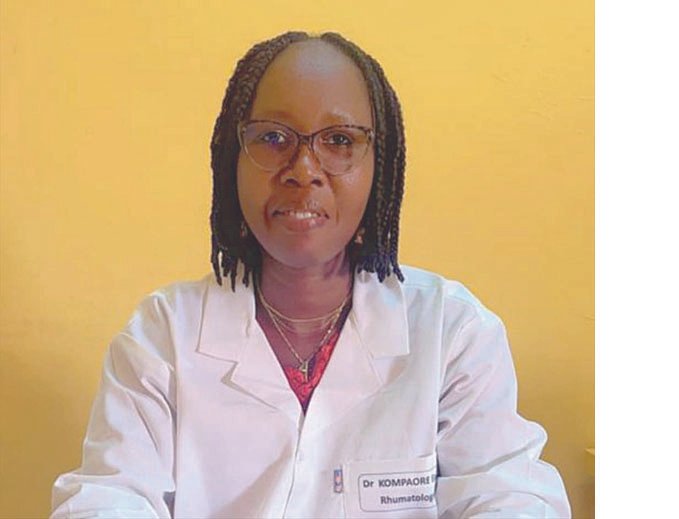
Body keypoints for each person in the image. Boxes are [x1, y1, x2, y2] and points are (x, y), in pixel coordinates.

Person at [50, 31, 571, 518]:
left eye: (340, 140)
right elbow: (109, 496)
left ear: (380, 165)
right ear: (233, 159)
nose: (303, 170)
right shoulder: (163, 335)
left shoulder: (451, 332)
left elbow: (509, 493)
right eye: (273, 137)